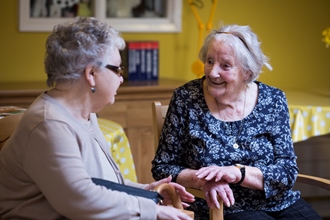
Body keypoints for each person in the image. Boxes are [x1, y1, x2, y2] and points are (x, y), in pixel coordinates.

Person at [0, 17, 194, 220]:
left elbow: (100, 183)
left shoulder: (84, 113)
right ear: (91, 73)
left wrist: (146, 191)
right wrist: (151, 209)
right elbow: (80, 198)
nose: (121, 78)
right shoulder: (49, 123)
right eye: (117, 69)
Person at [151, 24, 322, 220]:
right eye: (209, 61)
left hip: (279, 202)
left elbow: (287, 170)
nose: (213, 72)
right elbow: (163, 167)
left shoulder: (273, 100)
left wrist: (238, 173)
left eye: (225, 65)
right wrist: (203, 181)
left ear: (247, 73)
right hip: (221, 207)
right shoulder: (186, 99)